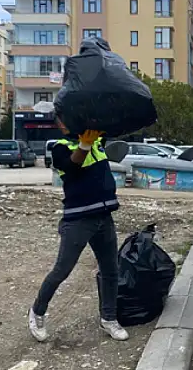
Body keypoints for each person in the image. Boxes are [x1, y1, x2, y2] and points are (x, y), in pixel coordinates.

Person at [27, 120, 128, 342]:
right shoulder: (60, 147)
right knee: (62, 270)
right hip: (78, 219)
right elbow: (71, 168)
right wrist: (83, 145)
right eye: (62, 122)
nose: (65, 125)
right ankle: (37, 312)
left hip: (104, 217)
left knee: (111, 270)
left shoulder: (97, 142)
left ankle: (109, 318)